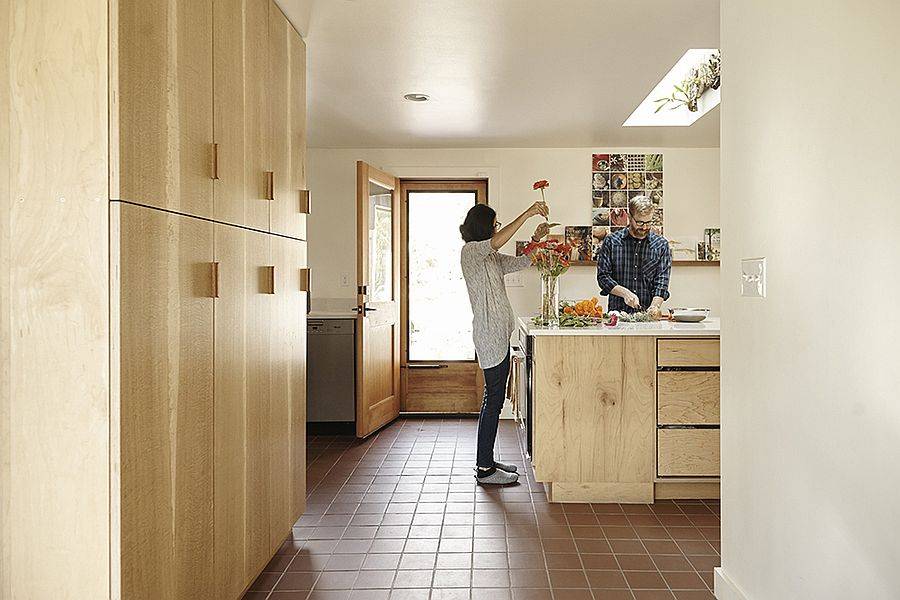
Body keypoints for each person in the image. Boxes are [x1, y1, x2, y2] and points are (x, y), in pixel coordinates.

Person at [460, 201, 549, 485]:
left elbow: (523, 261)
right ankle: (485, 469)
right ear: (485, 227)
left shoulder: (491, 258)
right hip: (490, 337)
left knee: (494, 400)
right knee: (493, 400)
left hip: (498, 335)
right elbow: (496, 242)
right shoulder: (472, 252)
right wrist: (527, 212)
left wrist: (536, 240)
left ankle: (487, 460)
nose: (497, 229)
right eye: (495, 224)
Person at [596, 196, 672, 319]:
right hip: (617, 316)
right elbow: (603, 277)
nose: (645, 227)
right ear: (630, 217)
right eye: (640, 222)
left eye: (648, 222)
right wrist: (625, 293)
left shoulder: (661, 245)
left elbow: (662, 283)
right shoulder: (611, 241)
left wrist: (654, 308)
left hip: (647, 317)